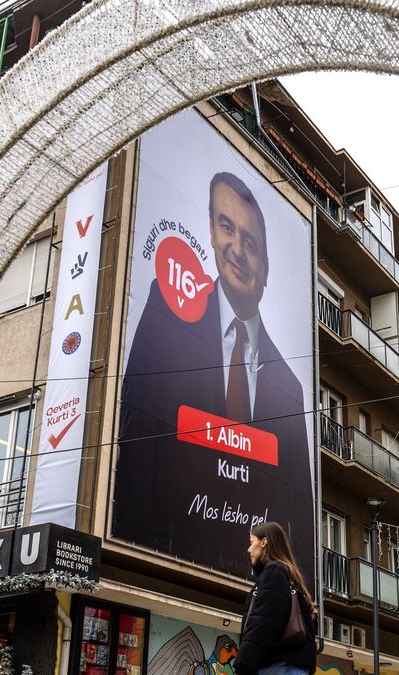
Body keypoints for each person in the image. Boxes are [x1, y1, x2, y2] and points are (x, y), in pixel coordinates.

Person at [114, 172, 312, 577]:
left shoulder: (290, 389)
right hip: (161, 560)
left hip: (255, 579)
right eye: (226, 228)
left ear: (266, 267)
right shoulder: (167, 313)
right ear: (210, 230)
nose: (237, 249)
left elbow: (302, 527)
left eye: (251, 243)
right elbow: (132, 440)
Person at [233, 522, 317, 675]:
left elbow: (264, 621)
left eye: (252, 543)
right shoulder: (290, 577)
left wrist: (243, 663)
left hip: (278, 666)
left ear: (264, 542)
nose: (249, 549)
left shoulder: (274, 572)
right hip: (289, 666)